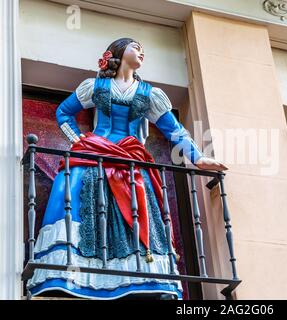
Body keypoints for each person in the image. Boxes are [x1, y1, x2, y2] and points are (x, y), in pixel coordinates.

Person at [27, 38, 227, 299]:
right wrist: (80, 141)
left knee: (132, 214)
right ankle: (78, 276)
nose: (141, 51)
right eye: (135, 47)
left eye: (143, 49)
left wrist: (199, 158)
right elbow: (64, 113)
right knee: (85, 209)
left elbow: (174, 130)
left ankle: (137, 277)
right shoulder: (95, 87)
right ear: (119, 54)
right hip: (94, 156)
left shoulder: (149, 94)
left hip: (130, 160)